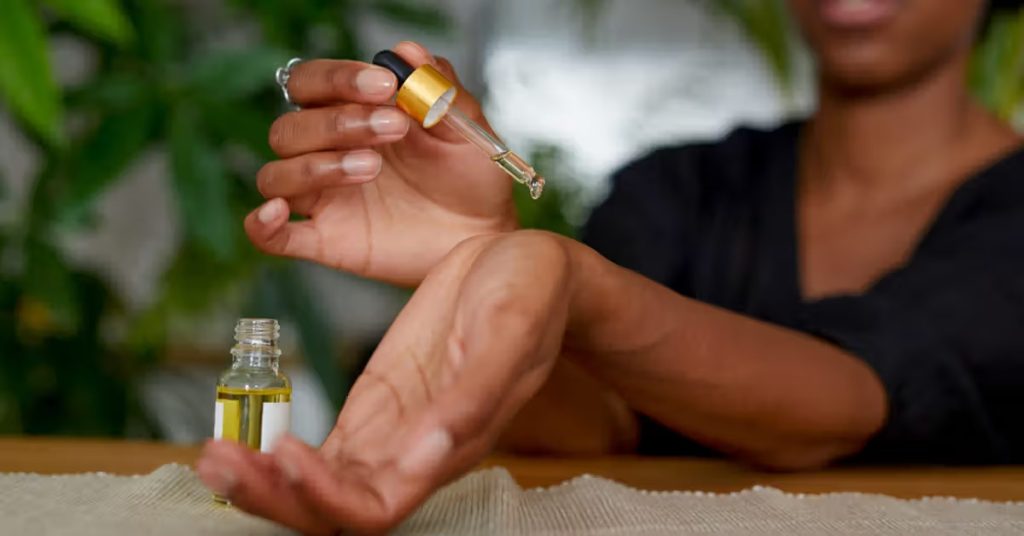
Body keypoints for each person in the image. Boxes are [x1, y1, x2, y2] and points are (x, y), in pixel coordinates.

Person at [197, 0, 1024, 533]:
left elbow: (849, 400)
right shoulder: (679, 190)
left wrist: (572, 284)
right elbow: (589, 423)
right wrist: (478, 263)